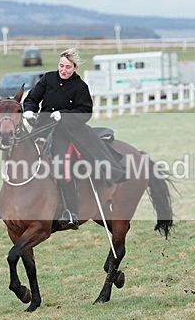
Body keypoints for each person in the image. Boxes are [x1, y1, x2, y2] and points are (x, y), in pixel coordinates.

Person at [21, 47, 127, 229]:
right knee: (20, 155)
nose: (63, 70)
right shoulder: (48, 78)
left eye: (68, 67)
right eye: (61, 66)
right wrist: (29, 110)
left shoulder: (80, 87)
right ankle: (10, 205)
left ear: (75, 68)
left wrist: (63, 115)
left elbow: (85, 112)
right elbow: (32, 98)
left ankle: (71, 212)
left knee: (62, 166)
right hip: (43, 126)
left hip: (67, 132)